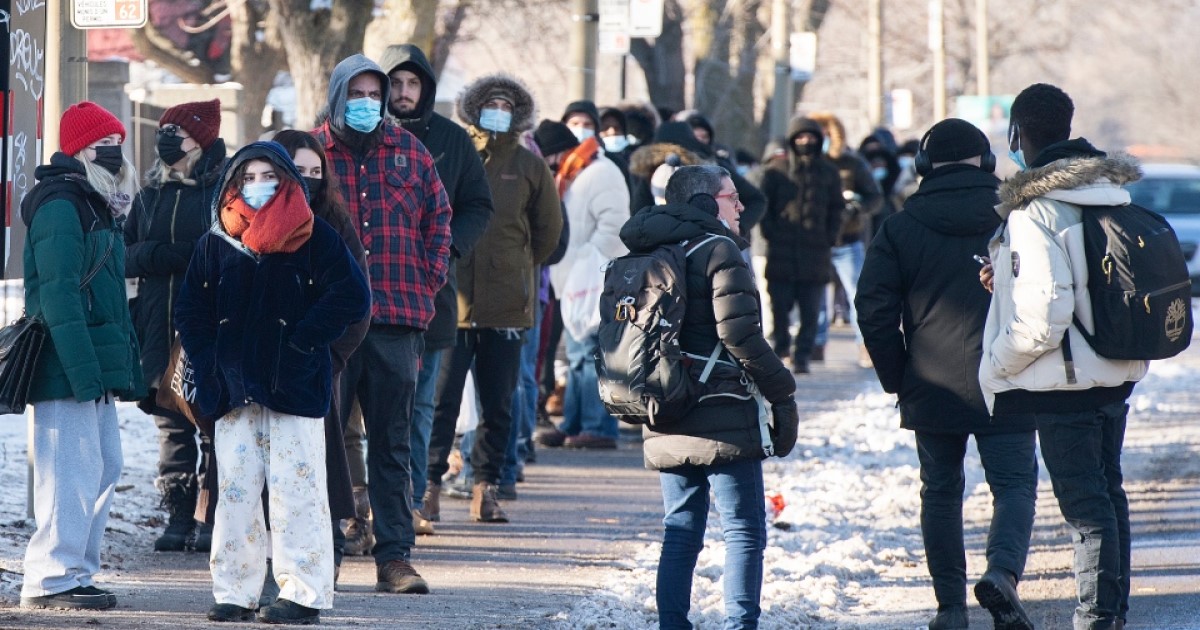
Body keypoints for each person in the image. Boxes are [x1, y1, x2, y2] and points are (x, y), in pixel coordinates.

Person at [174, 141, 370, 624]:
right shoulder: (215, 241)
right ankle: (234, 592)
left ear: (287, 181)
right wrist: (209, 359)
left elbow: (353, 296)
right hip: (232, 391)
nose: (259, 184)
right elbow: (191, 311)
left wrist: (305, 339)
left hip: (295, 389)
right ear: (234, 183)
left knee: (297, 494)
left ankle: (302, 593)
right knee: (236, 496)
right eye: (249, 176)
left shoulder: (315, 235)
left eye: (269, 175)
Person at [856, 118, 1037, 630]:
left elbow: (871, 307)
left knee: (939, 490)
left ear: (921, 167)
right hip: (1010, 376)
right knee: (1015, 486)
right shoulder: (1018, 218)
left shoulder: (899, 226)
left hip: (930, 381)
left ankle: (949, 608)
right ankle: (1002, 575)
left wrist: (899, 374)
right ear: (986, 163)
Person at [979, 83, 1146, 630]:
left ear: (1018, 135)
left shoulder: (1035, 212)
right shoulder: (1109, 192)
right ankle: (1111, 611)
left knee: (1082, 508)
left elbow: (1045, 312)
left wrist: (999, 361)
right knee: (1107, 491)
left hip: (1063, 381)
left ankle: (1095, 617)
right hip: (1113, 368)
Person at [619, 165, 798, 629]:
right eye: (731, 197)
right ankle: (740, 625)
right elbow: (740, 335)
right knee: (742, 529)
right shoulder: (719, 250)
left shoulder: (646, 251)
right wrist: (783, 392)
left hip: (664, 407)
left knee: (680, 530)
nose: (740, 207)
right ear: (704, 203)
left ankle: (672, 624)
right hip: (723, 410)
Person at [312, 54, 452, 594]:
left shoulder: (411, 153)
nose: (368, 104)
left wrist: (427, 279)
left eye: (376, 94)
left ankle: (394, 557)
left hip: (397, 322)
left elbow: (439, 221)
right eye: (358, 94)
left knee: (393, 445)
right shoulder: (310, 152)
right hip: (330, 327)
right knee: (322, 442)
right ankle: (322, 552)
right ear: (338, 95)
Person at [18, 101, 145, 611]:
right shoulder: (60, 205)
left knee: (102, 467)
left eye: (117, 143)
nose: (113, 154)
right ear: (77, 152)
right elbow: (58, 295)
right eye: (101, 146)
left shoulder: (95, 205)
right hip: (64, 364)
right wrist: (83, 371)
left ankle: (76, 572)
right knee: (70, 473)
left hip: (90, 366)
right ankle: (49, 578)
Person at [425, 73, 562, 522]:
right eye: (490, 104)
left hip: (507, 304)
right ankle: (428, 487)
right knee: (441, 401)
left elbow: (548, 234)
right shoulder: (452, 153)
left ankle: (487, 487)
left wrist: (518, 267)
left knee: (498, 403)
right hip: (452, 300)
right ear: (473, 109)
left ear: (518, 113)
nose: (497, 112)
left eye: (506, 105)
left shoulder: (529, 165)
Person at [377, 44, 495, 534]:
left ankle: (410, 499)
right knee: (364, 411)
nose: (403, 93)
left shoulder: (450, 140)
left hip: (430, 295)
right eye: (395, 83)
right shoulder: (361, 136)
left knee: (421, 404)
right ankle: (363, 504)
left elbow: (477, 205)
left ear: (425, 88)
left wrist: (447, 250)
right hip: (367, 297)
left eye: (413, 84)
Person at [125, 98, 227, 554]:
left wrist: (170, 256)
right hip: (157, 327)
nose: (167, 141)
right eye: (164, 132)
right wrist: (159, 256)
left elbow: (223, 250)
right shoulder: (149, 195)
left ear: (202, 141)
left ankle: (213, 514)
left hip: (207, 326)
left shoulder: (223, 190)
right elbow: (124, 252)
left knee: (213, 423)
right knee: (171, 427)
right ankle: (178, 513)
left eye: (178, 133)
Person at [271, 129, 371, 589]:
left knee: (319, 463)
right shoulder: (245, 218)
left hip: (315, 366)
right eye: (299, 171)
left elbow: (357, 302)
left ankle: (325, 550)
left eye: (316, 172)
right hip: (256, 369)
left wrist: (329, 357)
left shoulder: (334, 223)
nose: (308, 180)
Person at [533, 119, 629, 450]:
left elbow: (614, 227)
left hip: (593, 282)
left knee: (593, 355)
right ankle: (574, 422)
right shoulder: (572, 174)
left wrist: (587, 264)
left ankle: (599, 426)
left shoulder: (599, 172)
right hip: (574, 283)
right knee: (577, 356)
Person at [756, 116, 843, 374]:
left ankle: (802, 355)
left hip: (815, 253)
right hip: (781, 251)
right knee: (779, 307)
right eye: (801, 137)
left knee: (811, 310)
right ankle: (781, 349)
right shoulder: (776, 171)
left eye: (811, 137)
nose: (806, 142)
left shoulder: (828, 172)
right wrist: (770, 232)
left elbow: (837, 208)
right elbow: (765, 206)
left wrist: (830, 236)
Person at [806, 112, 882, 368]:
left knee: (856, 295)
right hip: (816, 239)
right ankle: (815, 345)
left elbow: (874, 196)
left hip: (847, 238)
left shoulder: (851, 163)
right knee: (816, 297)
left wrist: (855, 206)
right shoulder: (806, 164)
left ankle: (865, 346)